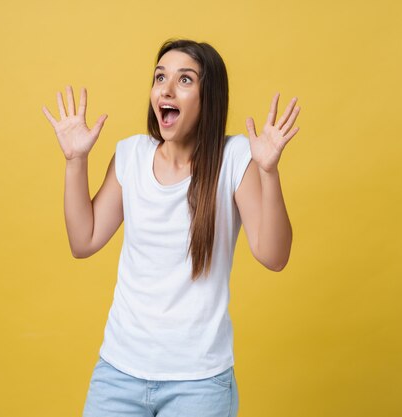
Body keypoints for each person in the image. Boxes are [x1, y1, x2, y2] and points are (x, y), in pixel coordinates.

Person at [42, 38, 301, 417]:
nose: (165, 88)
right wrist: (75, 161)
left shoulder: (234, 159)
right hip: (119, 372)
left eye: (184, 80)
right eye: (160, 76)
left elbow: (274, 255)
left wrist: (268, 171)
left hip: (198, 383)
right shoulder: (131, 155)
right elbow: (83, 240)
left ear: (207, 97)